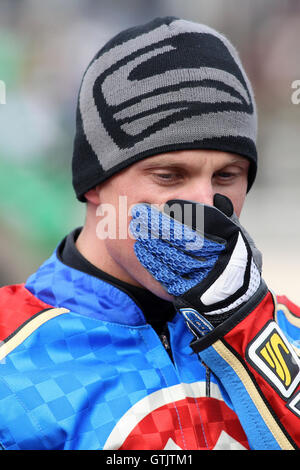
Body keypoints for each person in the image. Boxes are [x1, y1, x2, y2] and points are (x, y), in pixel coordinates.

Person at [0, 16, 299, 451]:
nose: (201, 206)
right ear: (94, 185)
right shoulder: (12, 357)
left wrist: (245, 326)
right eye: (169, 175)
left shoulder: (283, 329)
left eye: (227, 175)